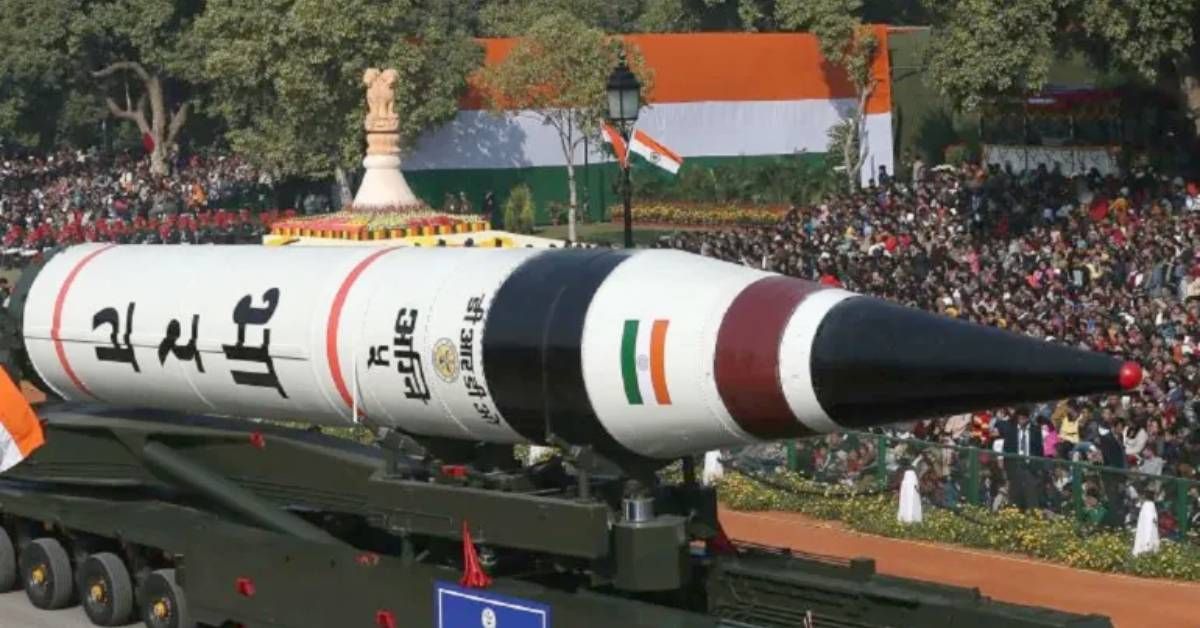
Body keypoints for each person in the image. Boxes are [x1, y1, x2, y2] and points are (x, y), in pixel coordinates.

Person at [997, 407, 1043, 510]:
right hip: (1015, 468)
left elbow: (1039, 451)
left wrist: (1037, 469)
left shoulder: (1035, 430)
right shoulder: (1011, 430)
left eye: (1024, 418)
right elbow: (1006, 450)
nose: (1021, 421)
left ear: (1028, 418)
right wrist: (1008, 472)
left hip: (1030, 469)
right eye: (1020, 418)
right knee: (1015, 500)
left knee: (1031, 500)